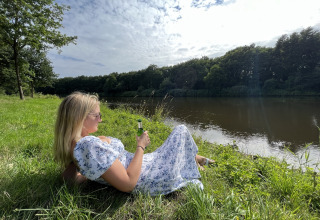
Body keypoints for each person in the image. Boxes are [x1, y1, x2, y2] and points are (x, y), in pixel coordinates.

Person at [54, 92, 214, 196]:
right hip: (149, 177)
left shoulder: (78, 145)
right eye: (97, 115)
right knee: (181, 130)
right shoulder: (88, 145)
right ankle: (193, 161)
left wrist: (91, 174)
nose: (101, 119)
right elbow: (129, 183)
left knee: (175, 141)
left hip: (144, 166)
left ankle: (194, 158)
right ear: (79, 118)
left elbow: (69, 177)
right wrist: (140, 146)